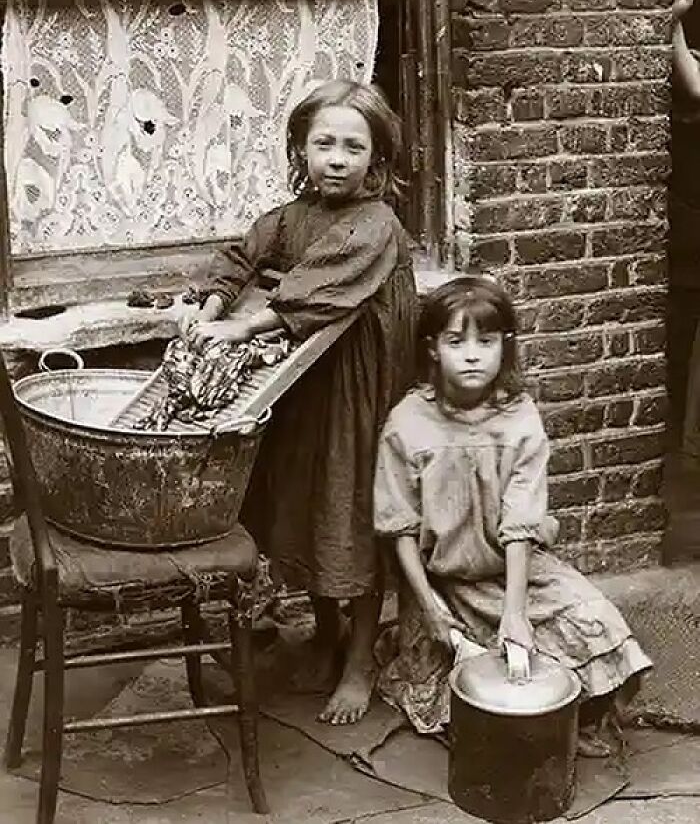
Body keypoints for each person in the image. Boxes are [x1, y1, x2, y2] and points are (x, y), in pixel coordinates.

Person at [180, 79, 418, 725]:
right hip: (306, 385)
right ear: (301, 149)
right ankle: (324, 630)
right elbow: (242, 256)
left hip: (361, 389)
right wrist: (212, 308)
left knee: (353, 508)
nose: (337, 158)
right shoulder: (293, 215)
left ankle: (362, 655)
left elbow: (313, 292)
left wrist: (239, 328)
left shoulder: (376, 223)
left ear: (377, 159)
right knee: (309, 503)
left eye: (352, 146)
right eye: (323, 144)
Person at [373, 275, 652, 755]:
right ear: (433, 349)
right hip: (442, 582)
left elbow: (521, 524)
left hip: (516, 570)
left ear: (506, 346)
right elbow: (398, 526)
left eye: (487, 340)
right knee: (462, 686)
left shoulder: (519, 419)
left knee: (598, 624)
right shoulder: (407, 422)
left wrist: (516, 613)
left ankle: (567, 717)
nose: (473, 354)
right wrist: (430, 610)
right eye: (456, 341)